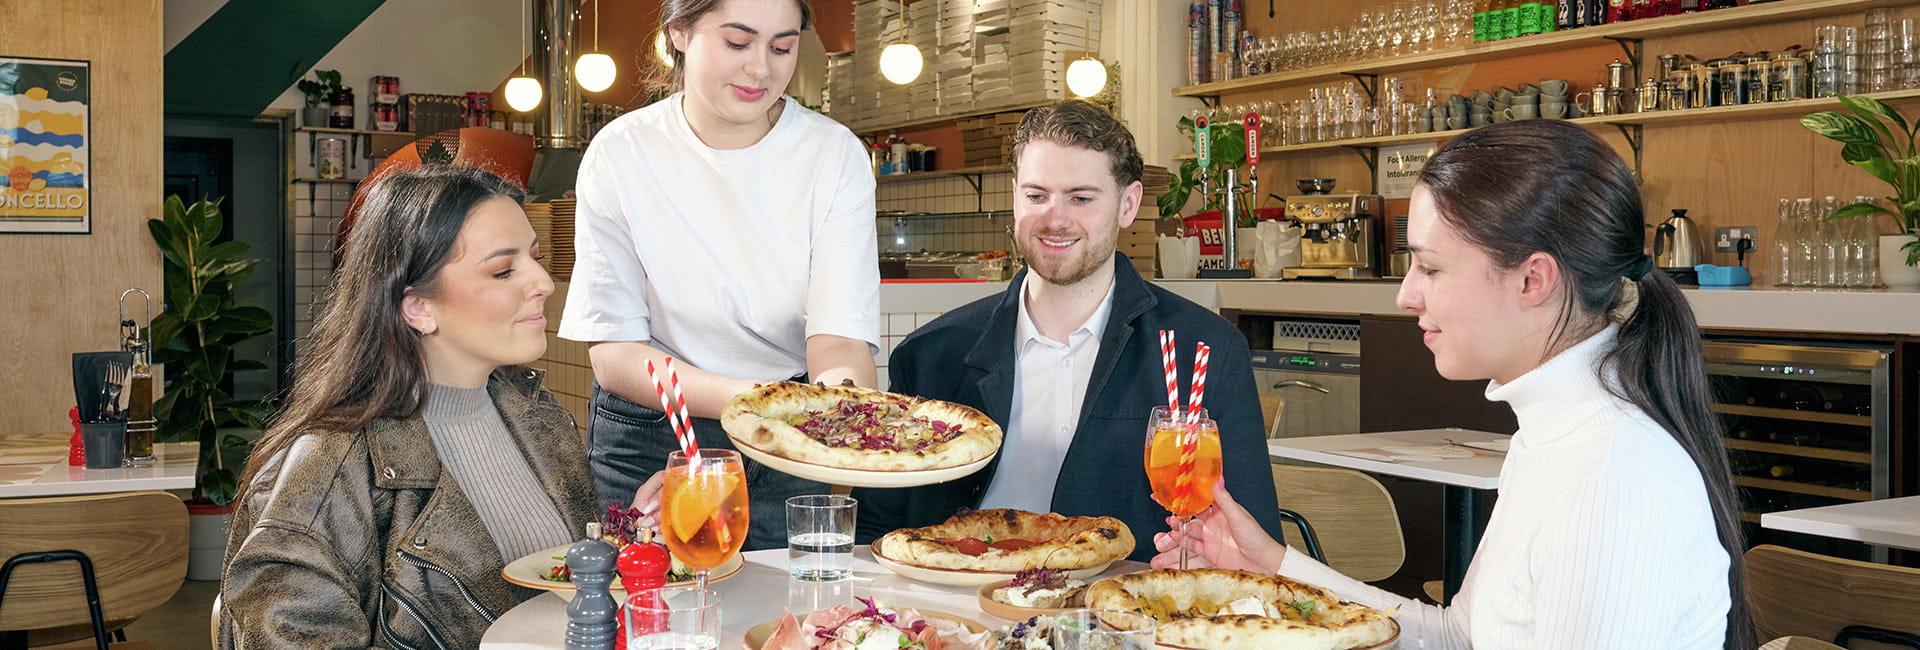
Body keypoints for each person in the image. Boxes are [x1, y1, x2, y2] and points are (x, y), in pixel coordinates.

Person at [1153, 120, 1752, 649]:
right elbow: (1459, 637)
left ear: (1532, 280)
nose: (1406, 295)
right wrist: (1272, 566)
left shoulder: (1608, 481)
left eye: (1431, 267)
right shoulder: (1553, 439)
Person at [852, 100, 1285, 561]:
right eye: (1037, 196)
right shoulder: (930, 356)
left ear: (1128, 204)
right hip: (954, 597)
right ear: (1015, 196)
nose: (1055, 219)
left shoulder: (1205, 350)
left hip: (1118, 600)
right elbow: (873, 533)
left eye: (1081, 198)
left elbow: (1251, 543)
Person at [220, 166, 596, 649]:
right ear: (418, 307)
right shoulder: (327, 472)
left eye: (535, 258)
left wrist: (636, 526)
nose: (544, 282)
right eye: (504, 270)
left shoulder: (541, 418)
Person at [559, 0, 879, 552]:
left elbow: (838, 341)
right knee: (655, 595)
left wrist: (842, 415)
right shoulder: (622, 153)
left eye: (782, 47)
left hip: (787, 436)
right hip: (655, 427)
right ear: (680, 31)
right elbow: (616, 353)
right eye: (737, 42)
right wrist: (763, 403)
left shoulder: (833, 155)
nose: (761, 68)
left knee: (789, 597)